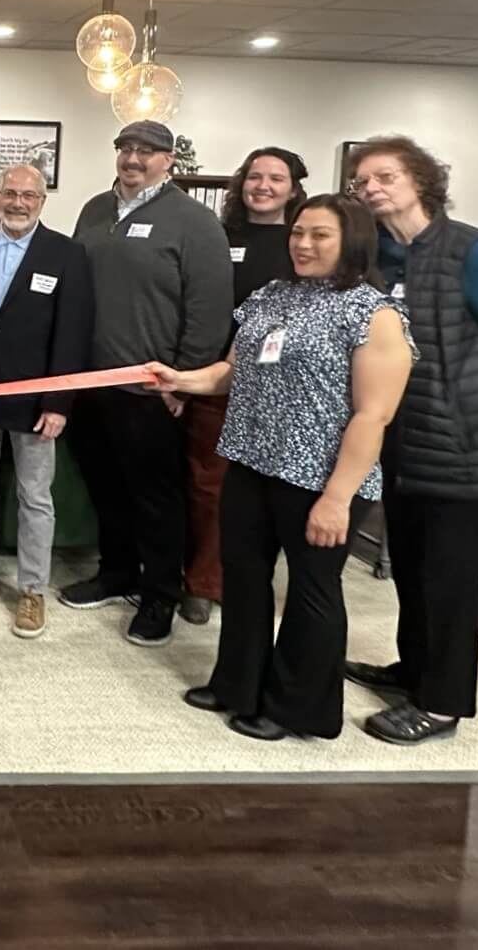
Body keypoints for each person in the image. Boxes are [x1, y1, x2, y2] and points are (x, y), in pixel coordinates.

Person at [147, 195, 414, 741]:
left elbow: (373, 414)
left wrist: (337, 497)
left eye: (320, 235)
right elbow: (231, 372)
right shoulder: (272, 295)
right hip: (251, 461)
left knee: (313, 592)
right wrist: (180, 379)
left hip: (321, 478)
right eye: (298, 233)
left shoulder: (373, 313)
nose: (303, 244)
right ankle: (237, 685)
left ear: (352, 242)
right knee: (244, 580)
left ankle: (297, 711)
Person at [343, 135, 478, 745]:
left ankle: (441, 703)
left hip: (471, 446)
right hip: (408, 442)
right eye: (363, 181)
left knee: (450, 576)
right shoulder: (383, 259)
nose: (371, 188)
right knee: (412, 567)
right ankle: (413, 668)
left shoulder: (474, 253)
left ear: (421, 181)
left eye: (384, 175)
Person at [61, 120, 233, 646]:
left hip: (152, 388)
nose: (133, 158)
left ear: (168, 160)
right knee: (106, 487)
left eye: (146, 151)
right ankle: (117, 572)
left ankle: (160, 592)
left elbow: (209, 310)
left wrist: (183, 381)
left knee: (156, 496)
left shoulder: (195, 222)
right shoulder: (94, 210)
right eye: (125, 148)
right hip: (91, 381)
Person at [0, 163, 94, 639]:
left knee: (35, 497)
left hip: (37, 404)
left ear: (42, 201)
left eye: (28, 196)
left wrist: (59, 401)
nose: (17, 203)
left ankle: (32, 588)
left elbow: (72, 333)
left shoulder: (67, 254)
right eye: (9, 193)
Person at [180, 146, 309, 626]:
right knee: (205, 484)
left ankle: (247, 578)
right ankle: (202, 582)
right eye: (255, 177)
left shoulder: (300, 243)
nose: (263, 186)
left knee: (268, 491)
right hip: (215, 377)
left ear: (293, 188)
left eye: (276, 179)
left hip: (280, 387)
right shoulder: (216, 235)